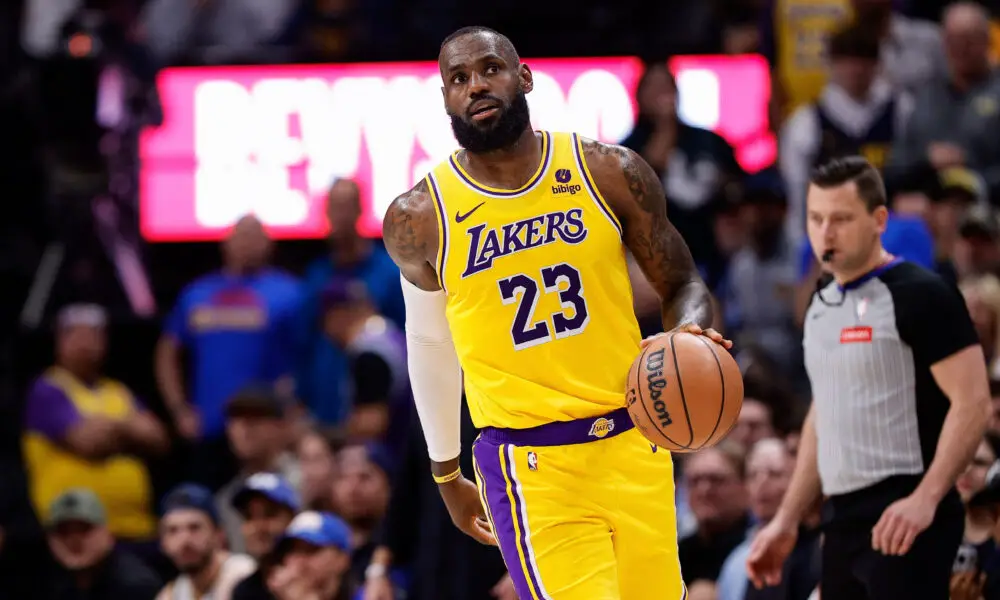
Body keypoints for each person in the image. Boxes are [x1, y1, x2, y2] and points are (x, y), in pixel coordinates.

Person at [379, 25, 728, 600]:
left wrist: (689, 335)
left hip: (636, 440)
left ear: (524, 77)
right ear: (445, 100)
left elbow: (683, 281)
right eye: (458, 79)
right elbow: (430, 346)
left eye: (489, 68)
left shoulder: (609, 170)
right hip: (530, 465)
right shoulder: (420, 216)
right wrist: (446, 472)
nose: (475, 87)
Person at [746, 156, 991, 600]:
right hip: (842, 516)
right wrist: (786, 519)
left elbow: (973, 401)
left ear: (879, 220)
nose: (826, 232)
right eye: (816, 219)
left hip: (906, 506)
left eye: (840, 219)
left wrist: (927, 498)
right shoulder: (821, 303)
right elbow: (825, 415)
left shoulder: (922, 294)